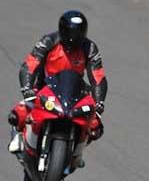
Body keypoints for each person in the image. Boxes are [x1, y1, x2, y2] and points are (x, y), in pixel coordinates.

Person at [8, 11, 108, 158]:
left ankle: (76, 153)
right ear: (62, 30)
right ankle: (19, 135)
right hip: (44, 86)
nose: (74, 37)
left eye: (79, 33)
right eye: (71, 32)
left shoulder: (89, 48)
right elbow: (30, 64)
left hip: (75, 91)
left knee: (96, 126)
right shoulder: (49, 40)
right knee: (17, 114)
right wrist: (27, 88)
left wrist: (99, 101)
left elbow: (97, 75)